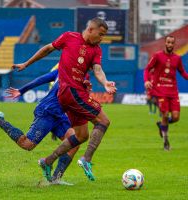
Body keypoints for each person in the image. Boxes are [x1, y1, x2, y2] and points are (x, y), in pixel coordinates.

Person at [12, 17, 117, 181]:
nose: (102, 38)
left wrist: (105, 83)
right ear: (90, 30)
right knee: (103, 121)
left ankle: (48, 161)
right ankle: (86, 159)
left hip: (73, 95)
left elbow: (97, 69)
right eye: (101, 34)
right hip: (70, 91)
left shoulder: (96, 49)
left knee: (82, 136)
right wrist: (26, 63)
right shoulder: (69, 37)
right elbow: (47, 49)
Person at [0, 69, 89, 185]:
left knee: (74, 143)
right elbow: (42, 79)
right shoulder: (64, 69)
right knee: (27, 145)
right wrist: (22, 90)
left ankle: (55, 179)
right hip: (47, 111)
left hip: (60, 114)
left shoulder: (84, 75)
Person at [144, 35, 188, 151]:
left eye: (172, 43)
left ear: (174, 44)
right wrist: (147, 80)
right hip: (160, 91)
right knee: (164, 114)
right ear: (165, 43)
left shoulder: (177, 58)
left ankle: (161, 125)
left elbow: (183, 72)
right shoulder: (157, 56)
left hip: (173, 92)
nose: (170, 45)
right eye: (168, 42)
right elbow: (147, 69)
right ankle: (166, 142)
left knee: (176, 117)